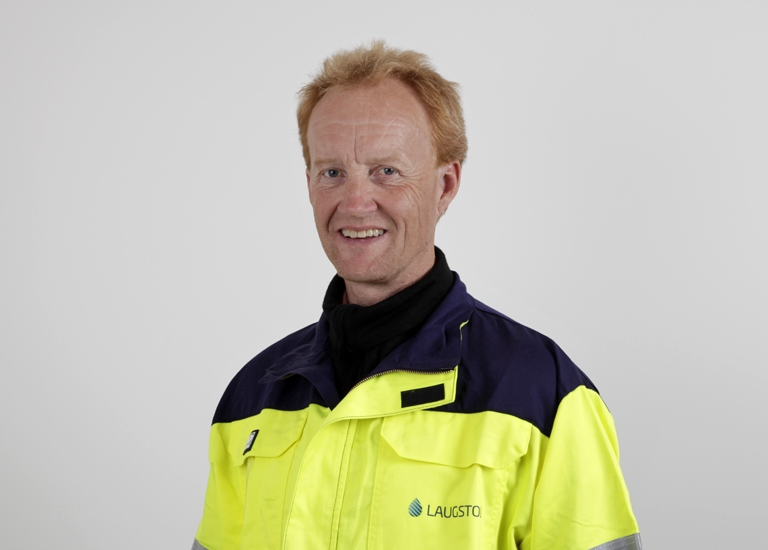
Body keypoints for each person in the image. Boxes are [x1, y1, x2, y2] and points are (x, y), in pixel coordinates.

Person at [192, 41, 641, 550]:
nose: (355, 203)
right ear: (309, 183)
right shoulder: (252, 397)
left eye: (386, 171)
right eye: (332, 172)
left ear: (445, 185)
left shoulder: (544, 394)